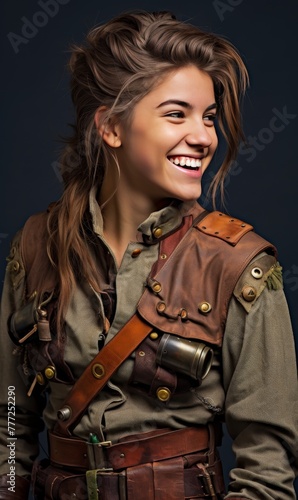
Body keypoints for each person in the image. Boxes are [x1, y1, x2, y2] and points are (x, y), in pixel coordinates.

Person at [0, 9, 297, 500]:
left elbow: (267, 468)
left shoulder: (239, 264)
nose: (204, 137)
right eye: (177, 114)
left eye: (208, 117)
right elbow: (10, 422)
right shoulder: (34, 247)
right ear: (112, 127)